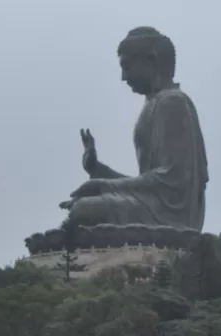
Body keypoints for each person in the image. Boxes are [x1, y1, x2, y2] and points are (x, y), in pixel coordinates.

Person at [59, 27, 208, 233]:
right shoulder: (154, 103)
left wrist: (104, 185)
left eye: (127, 67)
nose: (123, 77)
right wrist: (98, 170)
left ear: (151, 59)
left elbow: (173, 182)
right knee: (85, 205)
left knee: (84, 209)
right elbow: (149, 180)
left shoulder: (172, 103)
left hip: (171, 215)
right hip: (152, 203)